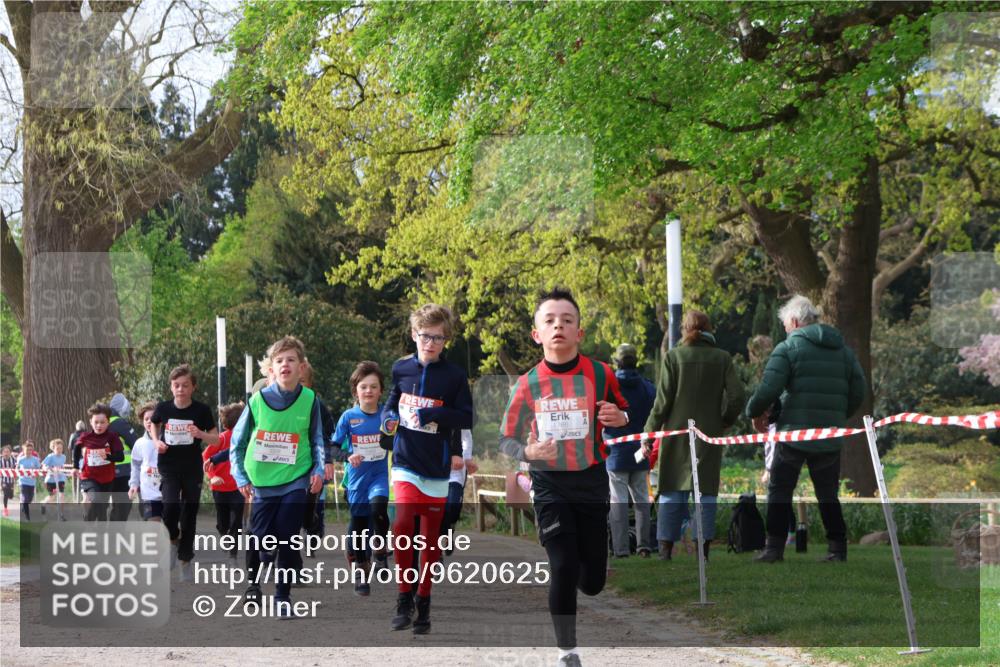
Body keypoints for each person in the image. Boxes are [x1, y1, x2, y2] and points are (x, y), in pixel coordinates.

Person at [500, 288, 629, 667]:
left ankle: (585, 574)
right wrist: (528, 453)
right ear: (537, 334)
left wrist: (620, 418)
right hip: (549, 484)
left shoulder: (601, 374)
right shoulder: (527, 384)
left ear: (579, 332)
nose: (559, 326)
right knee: (562, 565)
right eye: (550, 320)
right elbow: (506, 440)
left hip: (590, 481)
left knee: (592, 583)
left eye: (567, 320)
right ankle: (567, 651)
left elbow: (623, 411)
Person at [746, 295, 866, 563]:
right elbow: (859, 391)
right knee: (827, 494)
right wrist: (838, 416)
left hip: (793, 433)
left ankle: (774, 549)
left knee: (779, 490)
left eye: (786, 325)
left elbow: (769, 388)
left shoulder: (788, 348)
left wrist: (753, 411)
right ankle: (837, 549)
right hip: (829, 435)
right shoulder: (843, 351)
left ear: (794, 321)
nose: (785, 330)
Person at [380, 304, 473, 634]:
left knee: (430, 539)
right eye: (425, 336)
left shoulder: (455, 376)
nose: (430, 343)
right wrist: (388, 418)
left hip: (436, 466)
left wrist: (435, 414)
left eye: (437, 338)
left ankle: (424, 599)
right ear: (413, 334)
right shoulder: (401, 368)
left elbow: (466, 417)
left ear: (446, 340)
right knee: (402, 523)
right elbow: (392, 402)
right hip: (405, 460)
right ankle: (403, 597)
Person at [230, 336, 325, 618]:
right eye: (280, 360)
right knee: (260, 540)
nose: (285, 364)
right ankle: (256, 577)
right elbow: (237, 443)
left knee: (287, 536)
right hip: (262, 482)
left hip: (296, 478)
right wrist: (240, 476)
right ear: (271, 369)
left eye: (291, 360)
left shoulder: (310, 400)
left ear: (301, 367)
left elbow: (317, 439)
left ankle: (283, 597)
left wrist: (319, 470)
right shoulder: (257, 401)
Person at [640, 311, 745, 562]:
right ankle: (702, 552)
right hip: (709, 434)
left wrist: (648, 433)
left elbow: (661, 403)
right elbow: (737, 396)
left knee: (671, 490)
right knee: (705, 493)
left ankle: (665, 551)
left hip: (676, 434)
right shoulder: (722, 358)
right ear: (709, 329)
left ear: (684, 330)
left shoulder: (673, 357)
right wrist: (725, 420)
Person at [149, 364, 219, 581]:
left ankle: (185, 559)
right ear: (171, 387)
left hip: (191, 467)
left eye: (185, 385)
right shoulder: (163, 408)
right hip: (168, 465)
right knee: (170, 507)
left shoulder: (201, 410)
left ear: (193, 387)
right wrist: (156, 441)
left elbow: (216, 439)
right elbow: (154, 424)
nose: (180, 389)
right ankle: (172, 538)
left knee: (189, 514)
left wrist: (200, 434)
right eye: (176, 385)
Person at [333, 361, 392, 596]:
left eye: (373, 387)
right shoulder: (349, 417)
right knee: (358, 527)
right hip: (357, 480)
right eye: (363, 387)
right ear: (355, 391)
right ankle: (361, 570)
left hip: (378, 475)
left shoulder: (387, 415)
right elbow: (333, 446)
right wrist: (348, 456)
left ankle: (380, 547)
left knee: (379, 510)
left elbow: (397, 440)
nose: (368, 391)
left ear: (381, 390)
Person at [603, 343, 656, 559]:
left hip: (615, 452)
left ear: (617, 362)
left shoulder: (607, 388)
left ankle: (621, 549)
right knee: (642, 500)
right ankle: (644, 546)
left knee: (618, 501)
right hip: (641, 450)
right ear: (636, 361)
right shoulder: (648, 388)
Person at [203, 402, 246, 561]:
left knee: (236, 522)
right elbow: (206, 457)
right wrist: (212, 476)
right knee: (223, 523)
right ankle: (223, 534)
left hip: (238, 487)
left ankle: (233, 555)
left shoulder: (246, 439)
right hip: (220, 488)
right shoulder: (222, 438)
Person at [77, 404, 126, 522]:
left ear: (108, 422)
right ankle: (89, 521)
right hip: (89, 477)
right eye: (96, 422)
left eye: (102, 422)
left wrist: (108, 457)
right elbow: (76, 450)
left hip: (107, 479)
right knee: (95, 499)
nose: (99, 425)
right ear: (90, 422)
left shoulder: (112, 437)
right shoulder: (85, 437)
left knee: (102, 508)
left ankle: (96, 525)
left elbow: (121, 457)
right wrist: (75, 466)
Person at [440, 429, 477, 558]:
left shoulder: (460, 418)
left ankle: (449, 530)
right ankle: (437, 551)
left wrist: (466, 459)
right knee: (439, 510)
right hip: (437, 469)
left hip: (456, 471)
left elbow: (467, 437)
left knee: (453, 506)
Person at [108, 393, 139, 522]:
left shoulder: (104, 422)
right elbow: (136, 444)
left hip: (108, 470)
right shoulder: (119, 423)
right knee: (122, 507)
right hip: (123, 471)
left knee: (117, 507)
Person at [129, 402, 163, 522]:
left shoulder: (169, 440)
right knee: (154, 523)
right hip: (148, 494)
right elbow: (135, 466)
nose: (149, 421)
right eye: (146, 419)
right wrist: (134, 484)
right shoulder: (139, 443)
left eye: (152, 418)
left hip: (168, 492)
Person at [41, 439, 68, 520]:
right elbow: (43, 465)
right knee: (52, 497)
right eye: (57, 448)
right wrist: (48, 468)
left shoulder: (63, 457)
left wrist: (61, 470)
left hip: (60, 478)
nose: (59, 450)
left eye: (61, 448)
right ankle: (43, 504)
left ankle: (61, 514)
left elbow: (62, 466)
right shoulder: (50, 456)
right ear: (53, 449)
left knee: (61, 495)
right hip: (51, 480)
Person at [16, 442, 41, 521]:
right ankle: (27, 517)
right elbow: (17, 468)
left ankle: (24, 506)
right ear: (23, 451)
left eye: (30, 450)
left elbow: (39, 468)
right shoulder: (21, 459)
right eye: (27, 450)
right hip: (23, 481)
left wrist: (35, 473)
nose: (29, 451)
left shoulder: (35, 459)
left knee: (29, 499)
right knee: (25, 498)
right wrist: (18, 472)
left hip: (32, 482)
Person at [1, 445, 15, 517]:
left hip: (11, 480)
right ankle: (5, 509)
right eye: (4, 452)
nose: (6, 453)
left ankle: (10, 494)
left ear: (10, 453)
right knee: (6, 494)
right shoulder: (0, 460)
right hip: (3, 480)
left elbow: (17, 468)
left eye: (7, 452)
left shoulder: (13, 460)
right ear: (2, 453)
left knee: (11, 496)